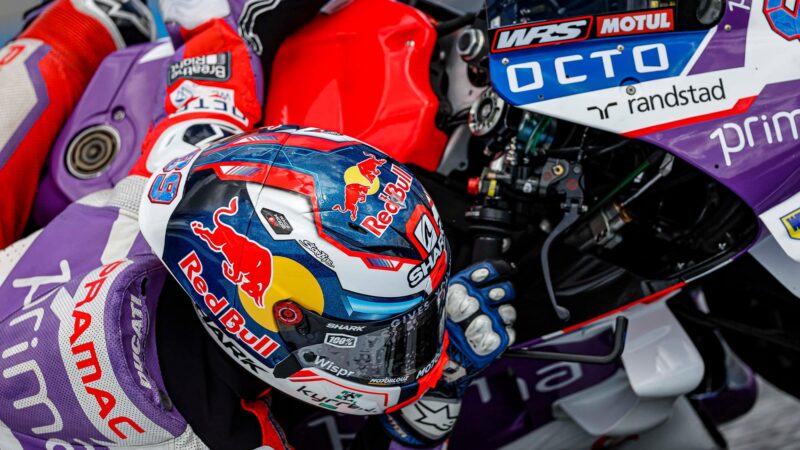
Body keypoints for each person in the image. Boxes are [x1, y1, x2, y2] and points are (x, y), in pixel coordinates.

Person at [0, 1, 518, 449]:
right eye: (375, 343)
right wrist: (427, 412)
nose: (406, 351)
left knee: (77, 30)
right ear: (266, 319)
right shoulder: (203, 439)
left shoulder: (166, 187)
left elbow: (210, 34)